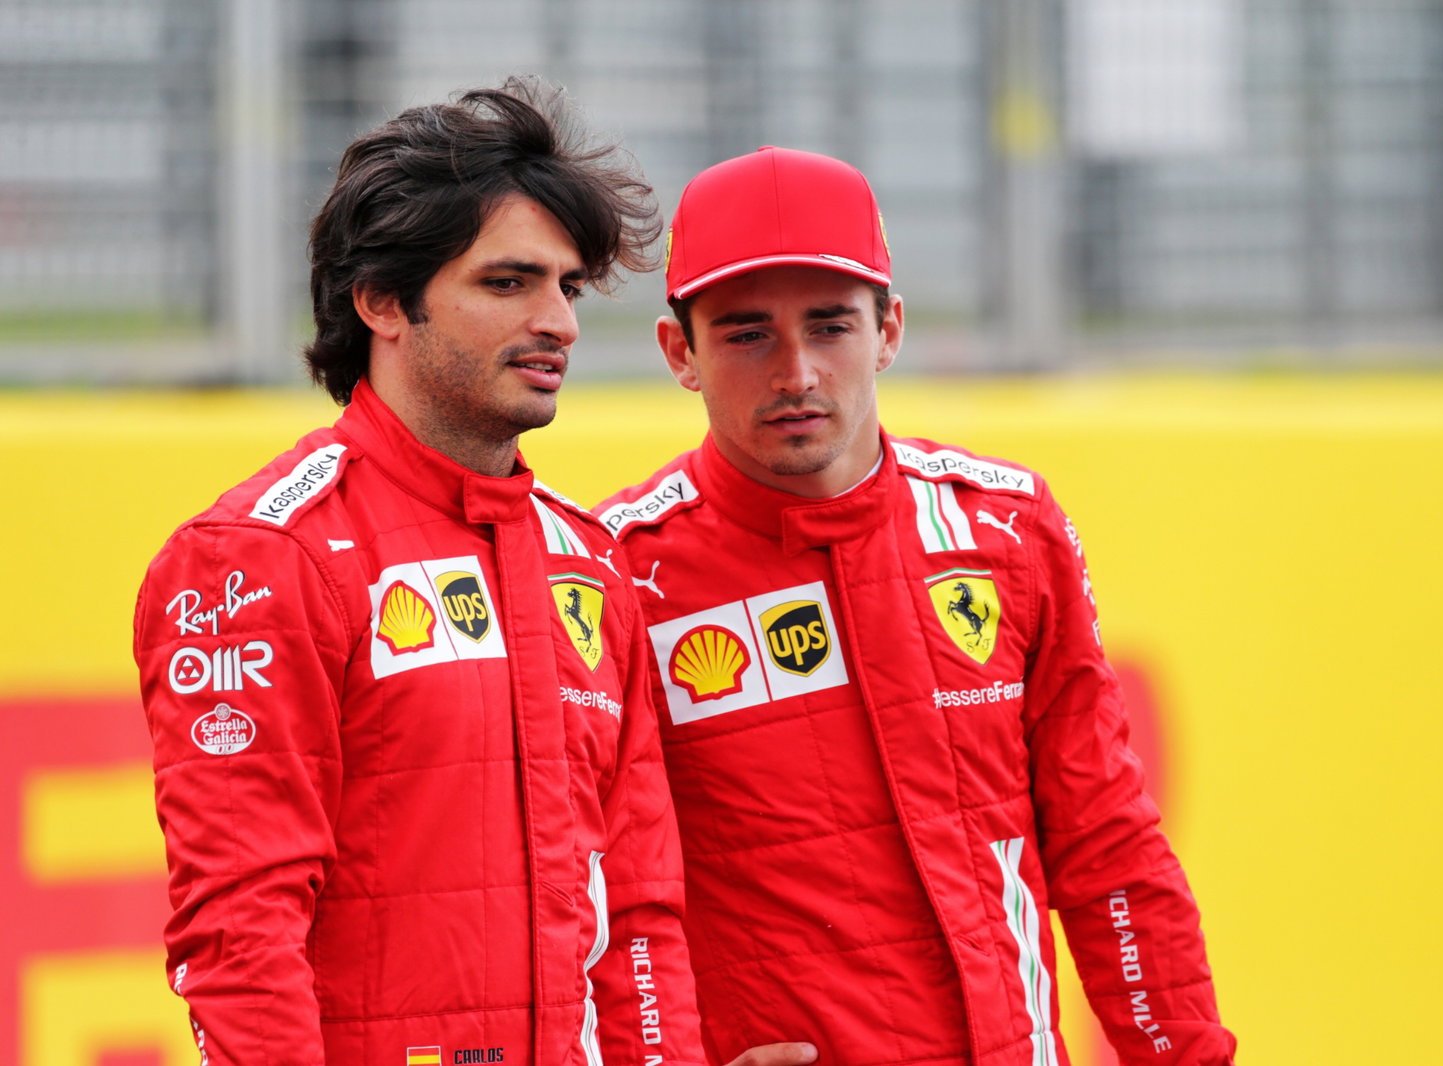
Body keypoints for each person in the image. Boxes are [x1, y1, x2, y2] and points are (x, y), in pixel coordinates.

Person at [133, 79, 811, 1066]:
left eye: (567, 288)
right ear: (381, 301)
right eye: (509, 283)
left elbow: (638, 908)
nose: (559, 324)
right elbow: (241, 930)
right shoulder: (256, 558)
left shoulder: (587, 564)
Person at [597, 146, 1237, 1066]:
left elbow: (1108, 848)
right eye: (746, 334)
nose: (798, 373)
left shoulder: (1007, 529)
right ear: (678, 353)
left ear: (889, 330)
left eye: (830, 327)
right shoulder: (616, 574)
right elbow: (599, 891)